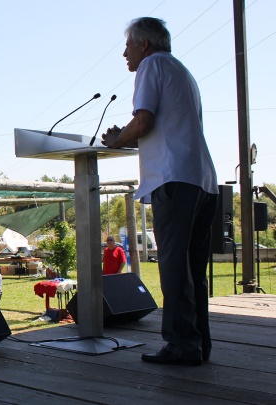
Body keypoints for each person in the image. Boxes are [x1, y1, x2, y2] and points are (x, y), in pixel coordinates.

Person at [102, 17, 218, 366]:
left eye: (128, 46)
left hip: (174, 179)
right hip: (203, 180)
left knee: (173, 267)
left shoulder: (151, 65)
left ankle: (181, 345)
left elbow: (144, 121)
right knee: (193, 270)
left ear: (144, 44)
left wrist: (116, 140)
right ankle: (198, 344)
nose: (124, 53)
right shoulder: (182, 71)